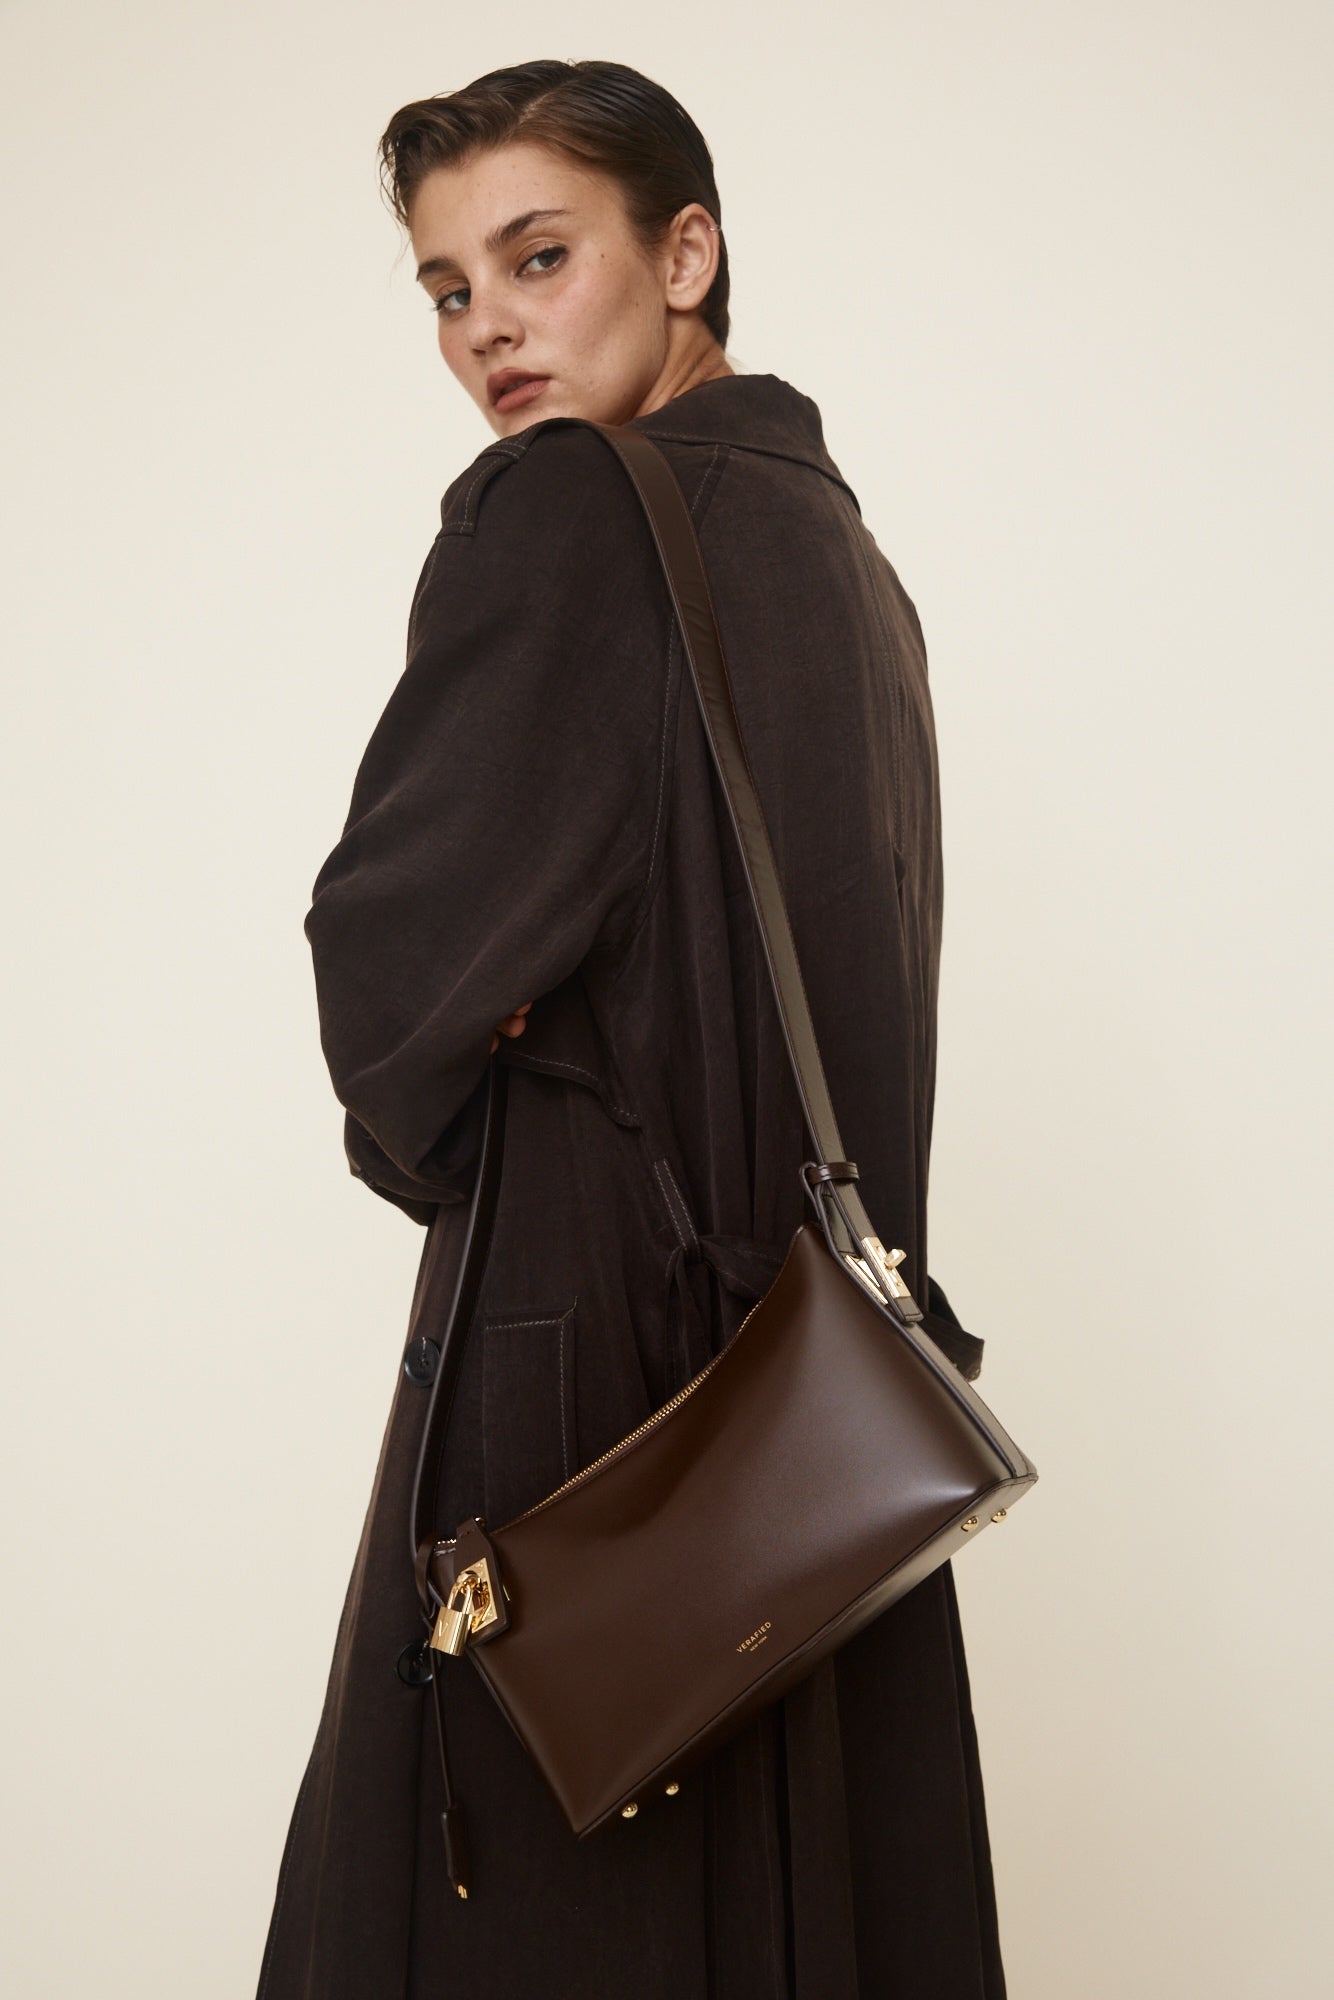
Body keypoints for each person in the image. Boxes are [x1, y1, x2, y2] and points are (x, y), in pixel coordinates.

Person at [255, 57, 1008, 2000]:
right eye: (443, 287)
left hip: (583, 1409)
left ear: (687, 253)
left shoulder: (570, 510)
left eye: (535, 254)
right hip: (795, 1438)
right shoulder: (847, 565)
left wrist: (491, 1049)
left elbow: (384, 972)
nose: (486, 325)